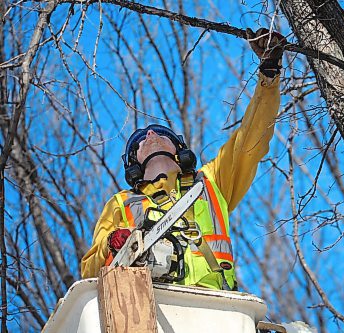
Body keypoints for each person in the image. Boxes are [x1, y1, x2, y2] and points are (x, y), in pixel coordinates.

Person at [81, 28, 286, 290]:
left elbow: (250, 140)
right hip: (152, 307)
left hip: (216, 304)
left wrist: (269, 73)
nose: (151, 133)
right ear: (133, 165)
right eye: (142, 139)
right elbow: (89, 270)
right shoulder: (121, 203)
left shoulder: (212, 181)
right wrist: (112, 244)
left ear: (181, 153)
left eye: (161, 134)